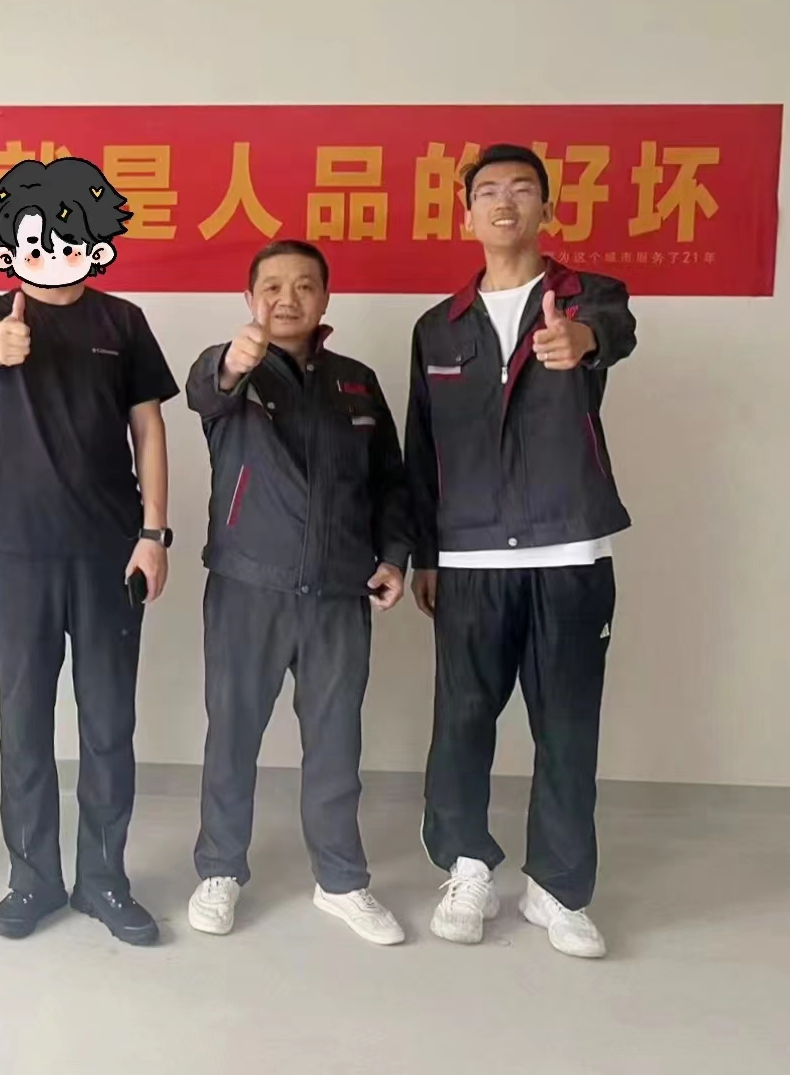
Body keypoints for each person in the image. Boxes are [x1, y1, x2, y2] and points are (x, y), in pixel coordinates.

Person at [405, 142, 637, 960]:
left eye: (521, 189)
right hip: (468, 559)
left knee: (566, 726)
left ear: (545, 206)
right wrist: (422, 552)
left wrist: (582, 340)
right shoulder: (437, 325)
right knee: (461, 723)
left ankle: (558, 889)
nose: (504, 202)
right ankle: (467, 866)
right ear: (465, 211)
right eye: (488, 191)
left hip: (568, 547)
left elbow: (615, 331)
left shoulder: (586, 297)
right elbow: (420, 448)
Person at [0, 157, 179, 946]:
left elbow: (149, 426)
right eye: (36, 236)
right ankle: (32, 878)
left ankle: (103, 878)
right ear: (7, 244)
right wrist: (2, 340)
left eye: (69, 233)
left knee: (108, 723)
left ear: (95, 241)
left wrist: (154, 533)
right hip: (16, 552)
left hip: (109, 553)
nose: (53, 248)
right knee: (22, 721)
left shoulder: (122, 322)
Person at [184, 241, 412, 945]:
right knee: (232, 735)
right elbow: (204, 389)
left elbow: (391, 481)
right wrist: (234, 361)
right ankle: (220, 869)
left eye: (304, 286)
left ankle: (340, 881)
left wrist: (394, 556)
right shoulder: (230, 369)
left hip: (338, 593)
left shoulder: (357, 383)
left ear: (325, 298)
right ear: (250, 297)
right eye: (273, 286)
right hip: (247, 588)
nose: (288, 298)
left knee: (336, 742)